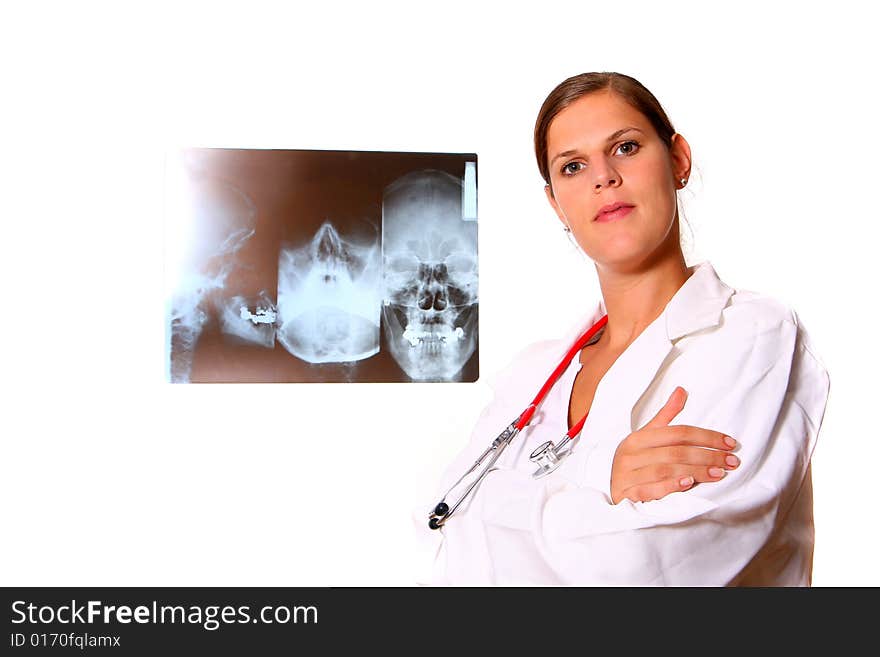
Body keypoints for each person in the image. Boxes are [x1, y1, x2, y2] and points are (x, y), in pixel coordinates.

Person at [416, 72, 830, 586]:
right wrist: (601, 477)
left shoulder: (752, 336)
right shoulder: (532, 374)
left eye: (626, 147)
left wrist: (505, 510)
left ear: (678, 160)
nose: (603, 178)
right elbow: (439, 526)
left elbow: (643, 568)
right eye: (573, 166)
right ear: (556, 205)